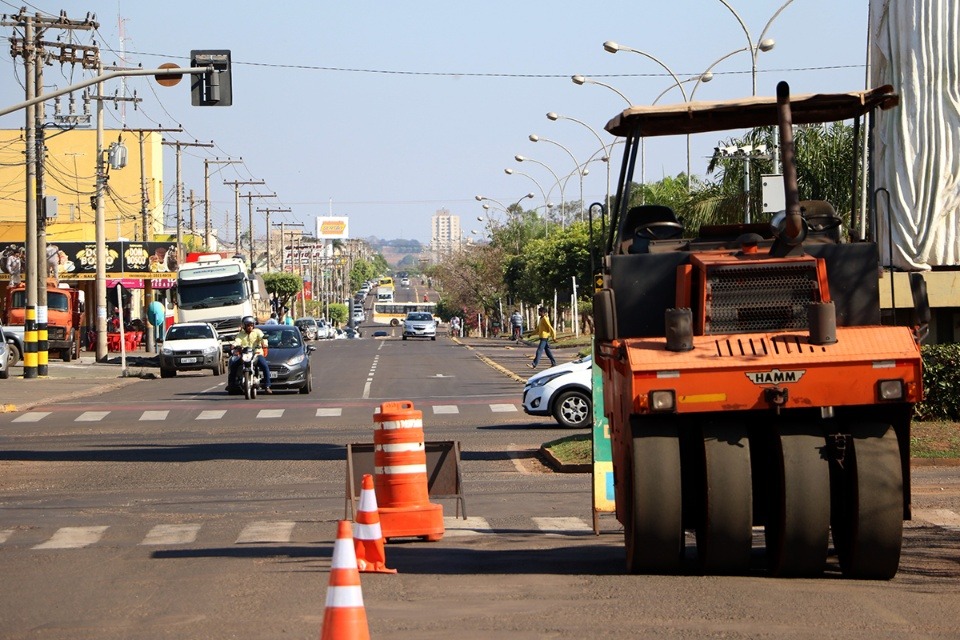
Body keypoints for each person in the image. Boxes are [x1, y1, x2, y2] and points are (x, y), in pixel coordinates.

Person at [229, 315, 272, 394]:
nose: (250, 327)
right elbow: (238, 340)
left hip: (256, 353)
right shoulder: (241, 334)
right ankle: (231, 384)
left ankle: (267, 386)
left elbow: (263, 338)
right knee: (234, 365)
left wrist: (264, 344)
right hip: (245, 354)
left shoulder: (258, 332)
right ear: (244, 326)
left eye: (251, 325)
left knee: (265, 366)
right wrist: (234, 345)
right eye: (248, 325)